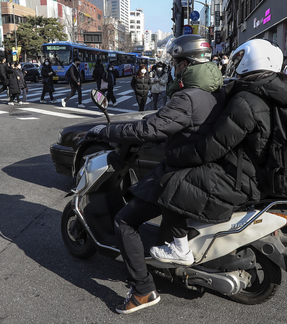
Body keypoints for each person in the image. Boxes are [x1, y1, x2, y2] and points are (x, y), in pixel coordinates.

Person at [86, 35, 225, 314]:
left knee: (124, 221)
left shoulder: (188, 97)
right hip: (200, 169)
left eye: (175, 62)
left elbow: (148, 130)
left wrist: (105, 131)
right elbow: (177, 127)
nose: (172, 67)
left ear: (185, 63)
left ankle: (143, 290)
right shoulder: (215, 91)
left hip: (181, 175)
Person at [156, 39, 287, 263]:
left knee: (172, 182)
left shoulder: (246, 100)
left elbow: (214, 146)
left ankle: (179, 249)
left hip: (242, 177)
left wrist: (177, 155)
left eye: (240, 59)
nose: (235, 64)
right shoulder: (275, 93)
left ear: (251, 61)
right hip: (259, 173)